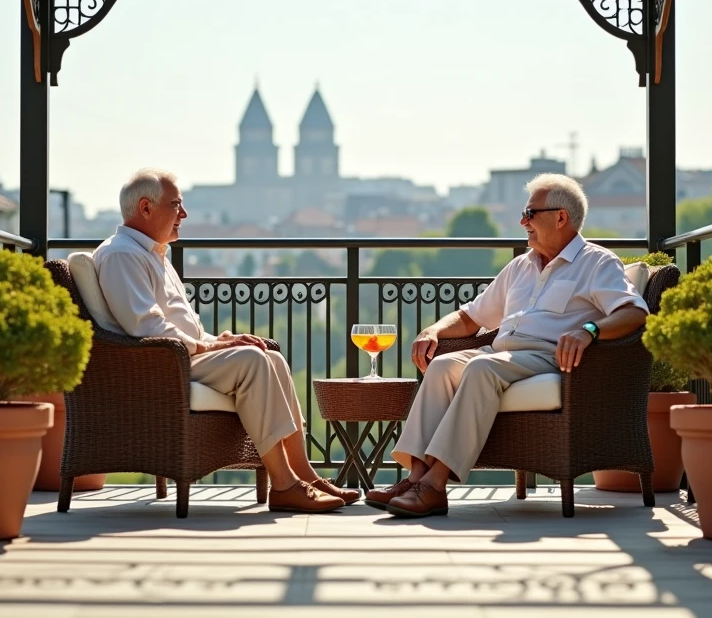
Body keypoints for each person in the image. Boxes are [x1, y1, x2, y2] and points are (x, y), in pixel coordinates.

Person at [368, 173, 650, 518]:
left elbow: (634, 312)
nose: (522, 221)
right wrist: (434, 331)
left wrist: (589, 329)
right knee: (442, 365)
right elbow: (471, 317)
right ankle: (415, 479)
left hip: (548, 357)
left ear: (561, 217)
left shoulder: (597, 263)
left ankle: (435, 485)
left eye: (530, 213)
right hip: (500, 353)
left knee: (481, 367)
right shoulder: (521, 266)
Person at [93, 168, 359, 513]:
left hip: (178, 356)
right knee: (253, 361)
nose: (183, 215)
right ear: (146, 208)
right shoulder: (123, 255)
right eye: (176, 205)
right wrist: (209, 346)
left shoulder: (152, 253)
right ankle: (284, 486)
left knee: (270, 357)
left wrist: (219, 339)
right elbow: (148, 328)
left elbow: (176, 326)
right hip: (158, 366)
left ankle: (305, 475)